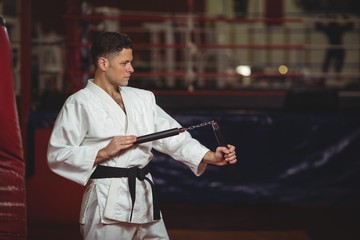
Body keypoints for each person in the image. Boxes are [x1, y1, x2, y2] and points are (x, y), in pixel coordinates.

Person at [47, 31, 237, 240]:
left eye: (131, 62)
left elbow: (171, 136)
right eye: (124, 63)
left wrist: (209, 156)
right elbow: (58, 154)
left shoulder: (142, 99)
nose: (131, 69)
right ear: (103, 63)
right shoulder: (79, 103)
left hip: (145, 199)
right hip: (106, 201)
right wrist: (103, 152)